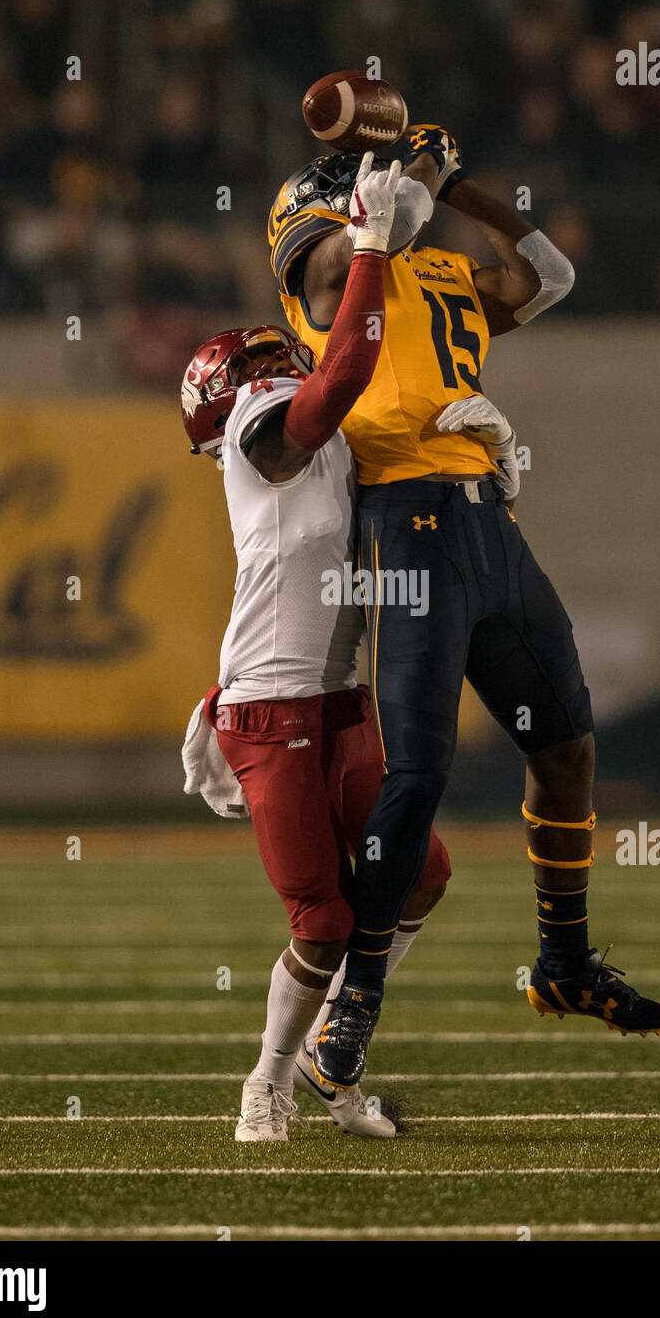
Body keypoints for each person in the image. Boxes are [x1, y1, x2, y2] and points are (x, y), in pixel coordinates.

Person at [266, 125, 660, 1090]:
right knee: (420, 770)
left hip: (489, 517)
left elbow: (551, 272)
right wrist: (417, 167)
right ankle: (356, 997)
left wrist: (468, 184)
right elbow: (386, 217)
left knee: (566, 738)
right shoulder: (327, 276)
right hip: (405, 522)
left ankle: (564, 962)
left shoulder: (432, 267)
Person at [180, 154, 450, 1140]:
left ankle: (340, 1054)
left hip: (344, 705)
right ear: (231, 395)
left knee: (419, 875)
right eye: (262, 362)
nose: (279, 362)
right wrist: (372, 247)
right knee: (324, 920)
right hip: (270, 708)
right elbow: (335, 382)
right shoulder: (265, 429)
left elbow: (396, 441)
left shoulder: (329, 437)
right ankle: (268, 1080)